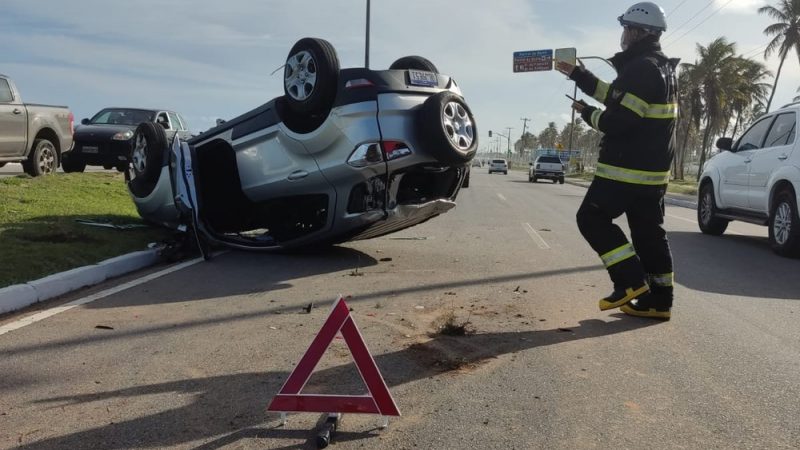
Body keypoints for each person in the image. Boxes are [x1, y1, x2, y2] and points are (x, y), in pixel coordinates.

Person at [555, 2, 679, 320]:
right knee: (649, 234)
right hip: (653, 175)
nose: (622, 35)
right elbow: (618, 96)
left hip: (625, 170)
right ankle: (660, 301)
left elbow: (619, 120)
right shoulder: (660, 67)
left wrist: (590, 116)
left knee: (591, 218)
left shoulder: (641, 68)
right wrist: (579, 74)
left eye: (625, 28)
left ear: (637, 31)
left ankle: (629, 281)